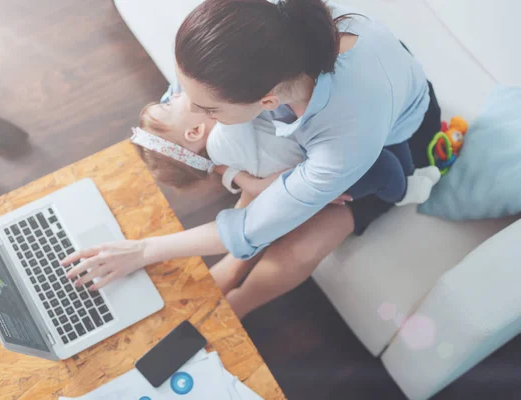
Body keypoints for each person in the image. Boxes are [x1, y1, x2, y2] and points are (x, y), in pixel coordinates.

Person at [63, 0, 442, 318]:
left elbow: (251, 227)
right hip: (348, 88)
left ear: (266, 104)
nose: (185, 105)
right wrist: (240, 177)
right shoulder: (256, 25)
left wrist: (145, 250)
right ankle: (233, 264)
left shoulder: (346, 141)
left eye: (208, 109)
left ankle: (236, 306)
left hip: (396, 138)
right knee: (263, 187)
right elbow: (189, 102)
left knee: (300, 244)